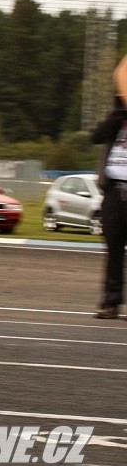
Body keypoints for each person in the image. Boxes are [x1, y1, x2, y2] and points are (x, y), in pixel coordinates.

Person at [94, 52, 127, 320]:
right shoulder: (115, 122)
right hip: (115, 192)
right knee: (113, 250)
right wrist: (119, 114)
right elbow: (97, 136)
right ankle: (111, 302)